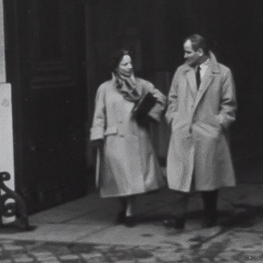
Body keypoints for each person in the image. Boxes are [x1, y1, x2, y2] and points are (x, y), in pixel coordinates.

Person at [162, 33, 237, 230]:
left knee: (208, 177)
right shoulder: (181, 71)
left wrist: (218, 124)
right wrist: (174, 120)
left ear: (200, 51)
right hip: (183, 130)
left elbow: (229, 104)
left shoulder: (222, 73)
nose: (185, 56)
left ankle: (210, 215)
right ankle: (177, 218)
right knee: (180, 175)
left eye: (188, 52)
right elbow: (173, 99)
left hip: (208, 132)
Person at [89, 52, 165, 227]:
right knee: (119, 178)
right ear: (115, 66)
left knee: (131, 177)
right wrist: (97, 137)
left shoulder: (142, 84)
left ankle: (130, 210)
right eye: (124, 64)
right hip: (114, 138)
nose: (129, 67)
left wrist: (148, 114)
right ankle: (122, 207)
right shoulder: (105, 88)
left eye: (130, 63)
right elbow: (99, 114)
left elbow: (161, 98)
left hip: (135, 135)